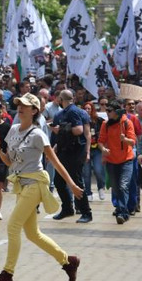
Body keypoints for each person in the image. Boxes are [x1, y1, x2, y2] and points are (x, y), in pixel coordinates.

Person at [0, 93, 82, 281]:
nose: (20, 108)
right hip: (21, 185)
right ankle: (68, 261)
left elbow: (55, 162)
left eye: (25, 105)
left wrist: (71, 185)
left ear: (34, 111)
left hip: (36, 184)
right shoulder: (13, 130)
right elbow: (10, 161)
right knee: (32, 234)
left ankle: (7, 273)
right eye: (19, 105)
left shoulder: (38, 134)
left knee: (13, 226)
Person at [50, 90, 94, 223]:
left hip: (75, 151)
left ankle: (86, 212)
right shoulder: (60, 114)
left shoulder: (74, 112)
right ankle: (67, 208)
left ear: (60, 99)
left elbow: (80, 131)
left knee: (76, 181)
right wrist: (54, 148)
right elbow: (87, 135)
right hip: (64, 150)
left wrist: (87, 152)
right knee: (59, 181)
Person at [99, 100, 137, 225]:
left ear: (116, 112)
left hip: (126, 160)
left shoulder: (127, 123)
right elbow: (100, 141)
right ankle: (124, 211)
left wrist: (125, 139)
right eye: (106, 111)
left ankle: (121, 212)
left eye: (109, 111)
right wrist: (103, 149)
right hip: (111, 161)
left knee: (123, 186)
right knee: (116, 188)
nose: (107, 113)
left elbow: (133, 142)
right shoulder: (105, 124)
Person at [82, 102, 107, 201]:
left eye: (89, 109)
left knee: (98, 170)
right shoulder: (81, 120)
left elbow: (106, 129)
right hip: (85, 149)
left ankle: (101, 187)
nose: (87, 110)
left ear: (92, 110)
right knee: (86, 173)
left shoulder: (99, 120)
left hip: (97, 149)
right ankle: (88, 193)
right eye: (85, 108)